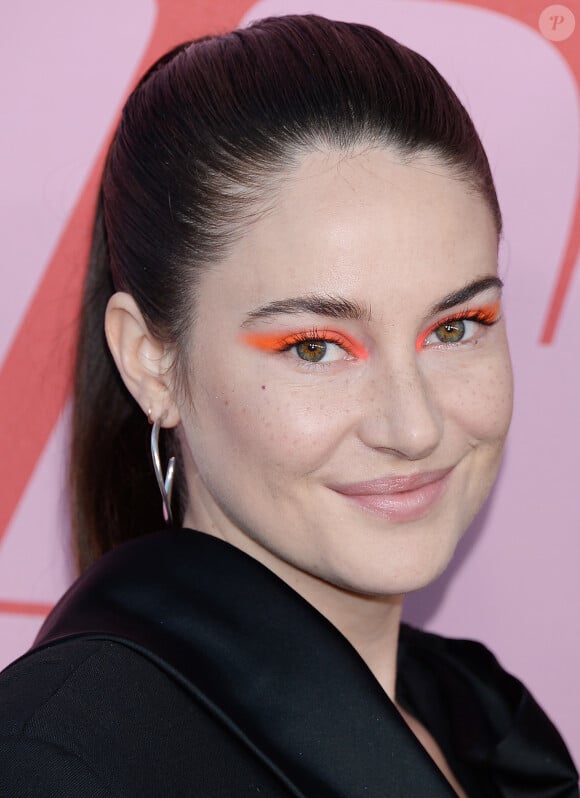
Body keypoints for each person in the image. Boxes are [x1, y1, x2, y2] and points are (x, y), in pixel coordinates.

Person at [0, 13, 577, 797]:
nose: (414, 427)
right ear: (150, 362)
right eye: (315, 347)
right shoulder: (59, 763)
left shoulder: (487, 723)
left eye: (455, 328)